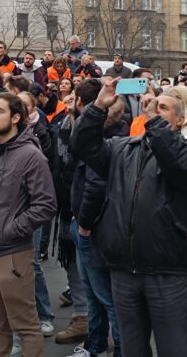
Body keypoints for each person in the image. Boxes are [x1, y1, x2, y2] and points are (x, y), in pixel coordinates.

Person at [71, 77, 187, 357]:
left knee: (176, 349)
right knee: (132, 349)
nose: (153, 110)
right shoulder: (121, 149)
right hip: (123, 270)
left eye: (164, 108)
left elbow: (178, 162)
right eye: (152, 106)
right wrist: (98, 107)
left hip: (166, 270)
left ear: (179, 121)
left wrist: (154, 120)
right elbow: (82, 143)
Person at [0, 93, 57, 357]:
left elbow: (45, 206)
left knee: (25, 326)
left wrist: (10, 231)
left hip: (11, 255)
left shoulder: (31, 156)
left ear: (16, 118)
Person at [65, 79, 123, 357]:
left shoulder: (105, 141)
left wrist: (85, 224)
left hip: (94, 227)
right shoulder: (94, 136)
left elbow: (96, 185)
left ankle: (121, 348)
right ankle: (96, 344)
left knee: (105, 296)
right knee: (92, 294)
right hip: (83, 223)